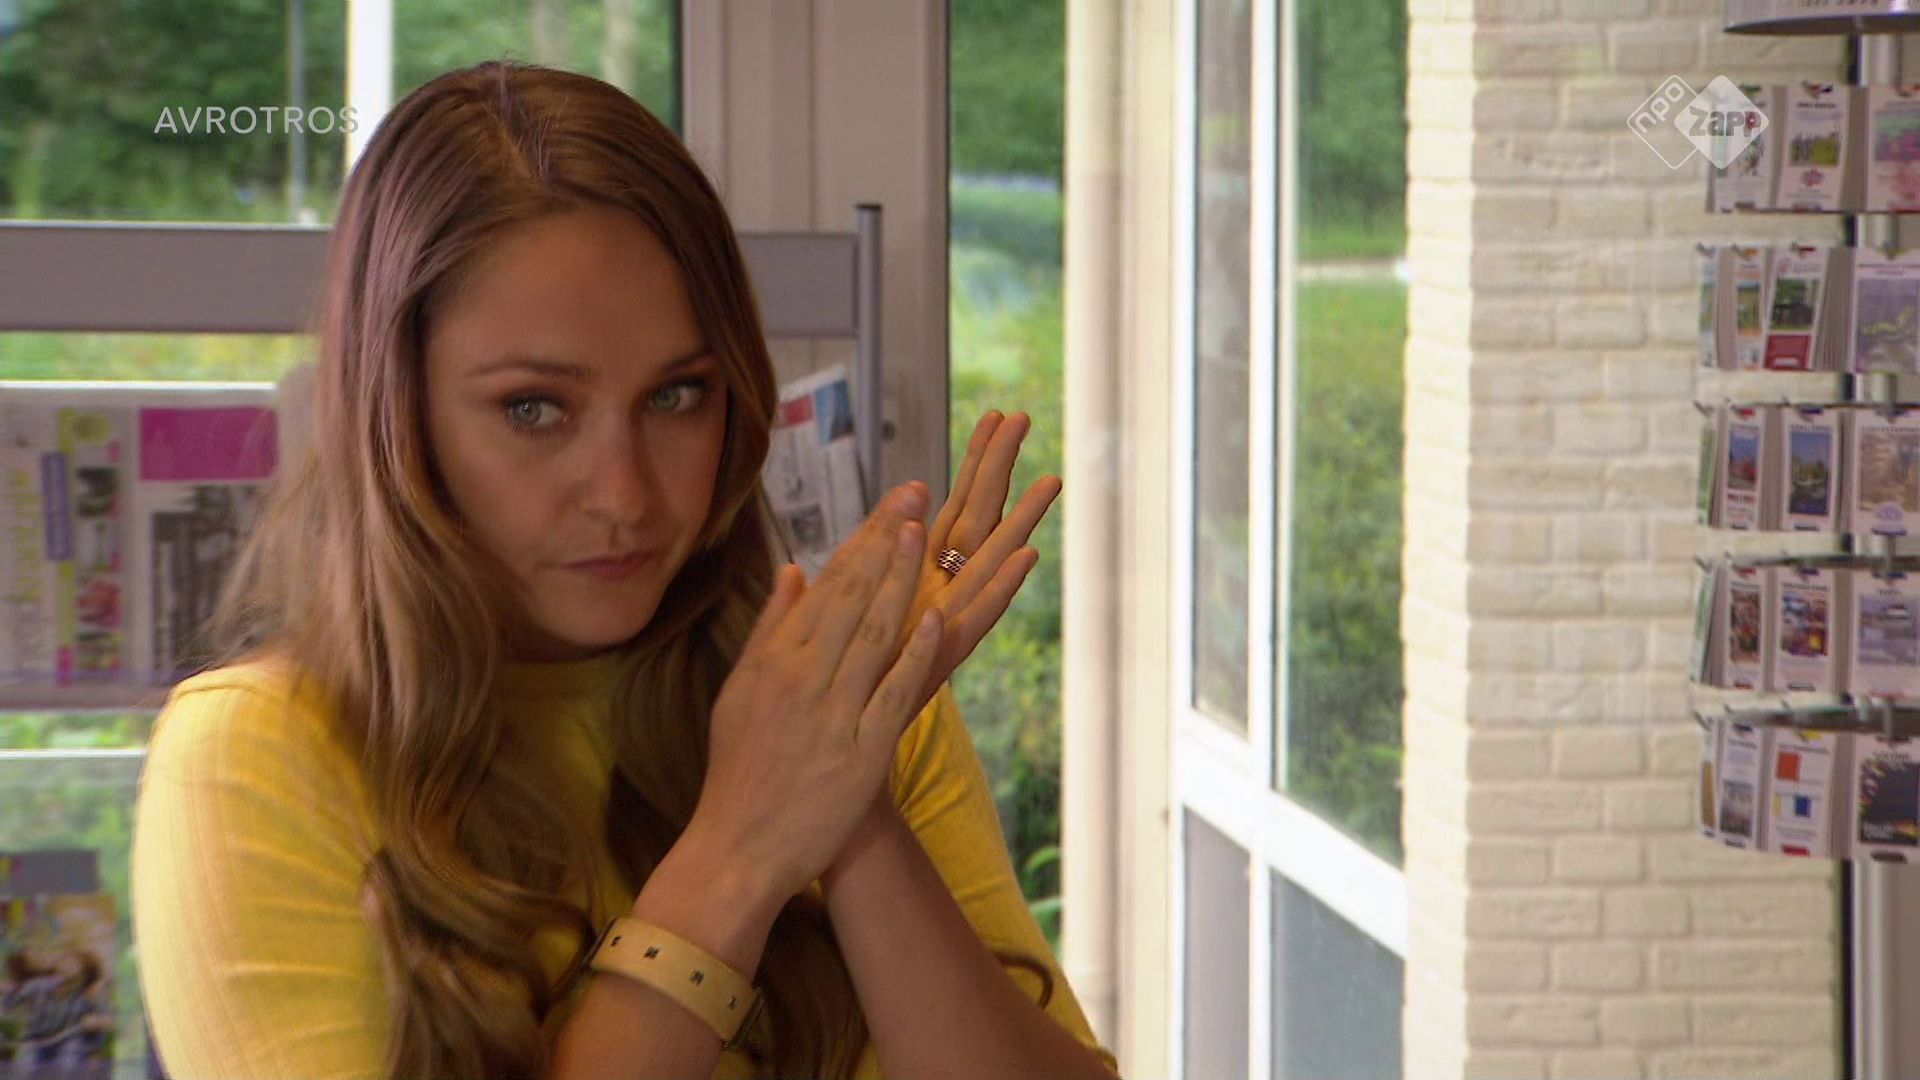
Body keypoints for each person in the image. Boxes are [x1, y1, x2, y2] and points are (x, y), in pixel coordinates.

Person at [128, 60, 1119, 1080]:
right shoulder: (256, 759)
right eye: (534, 409)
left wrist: (846, 788)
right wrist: (741, 847)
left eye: (677, 396)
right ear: (398, 414)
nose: (624, 494)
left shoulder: (826, 703)